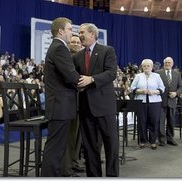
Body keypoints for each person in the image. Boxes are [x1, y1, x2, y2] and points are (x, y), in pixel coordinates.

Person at [73, 23, 119, 177]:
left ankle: (112, 176)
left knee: (111, 143)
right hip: (85, 107)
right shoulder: (77, 56)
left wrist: (91, 79)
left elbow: (112, 73)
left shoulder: (107, 50)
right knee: (90, 146)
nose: (79, 35)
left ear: (92, 34)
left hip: (104, 106)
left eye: (82, 32)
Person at [41, 17, 81, 177]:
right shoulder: (59, 48)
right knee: (55, 148)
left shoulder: (57, 47)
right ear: (61, 31)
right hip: (60, 105)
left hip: (59, 105)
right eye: (70, 29)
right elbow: (71, 76)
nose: (73, 32)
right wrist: (90, 82)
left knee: (57, 146)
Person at [61, 34, 85, 177]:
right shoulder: (65, 58)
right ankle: (68, 167)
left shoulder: (81, 59)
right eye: (73, 42)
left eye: (78, 42)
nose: (76, 44)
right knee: (70, 136)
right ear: (69, 44)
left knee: (78, 136)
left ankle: (74, 162)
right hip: (68, 103)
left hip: (80, 102)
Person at [130, 59, 165, 150]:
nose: (146, 67)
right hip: (141, 102)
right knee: (142, 122)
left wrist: (155, 91)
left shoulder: (157, 76)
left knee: (154, 121)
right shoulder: (138, 76)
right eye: (144, 66)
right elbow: (132, 88)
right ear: (142, 67)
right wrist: (141, 91)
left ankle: (153, 141)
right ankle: (142, 140)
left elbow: (162, 88)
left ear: (152, 67)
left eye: (148, 66)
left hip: (155, 101)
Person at [156, 57, 182, 146]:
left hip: (172, 101)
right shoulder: (157, 73)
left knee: (171, 120)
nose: (167, 64)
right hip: (161, 101)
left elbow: (181, 87)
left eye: (169, 63)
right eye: (166, 63)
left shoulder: (177, 74)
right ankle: (161, 139)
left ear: (172, 64)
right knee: (161, 121)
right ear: (163, 63)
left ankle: (170, 138)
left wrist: (176, 93)